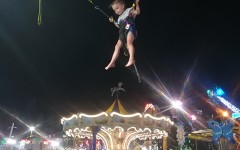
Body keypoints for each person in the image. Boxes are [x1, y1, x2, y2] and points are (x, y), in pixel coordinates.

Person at [105, 0, 140, 70]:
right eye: (114, 10)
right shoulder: (119, 18)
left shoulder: (128, 10)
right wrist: (113, 21)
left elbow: (137, 12)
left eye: (117, 8)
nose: (116, 11)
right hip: (122, 32)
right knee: (117, 46)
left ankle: (131, 58)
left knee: (129, 42)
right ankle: (112, 62)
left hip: (130, 28)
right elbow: (119, 26)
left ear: (123, 6)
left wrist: (136, 4)